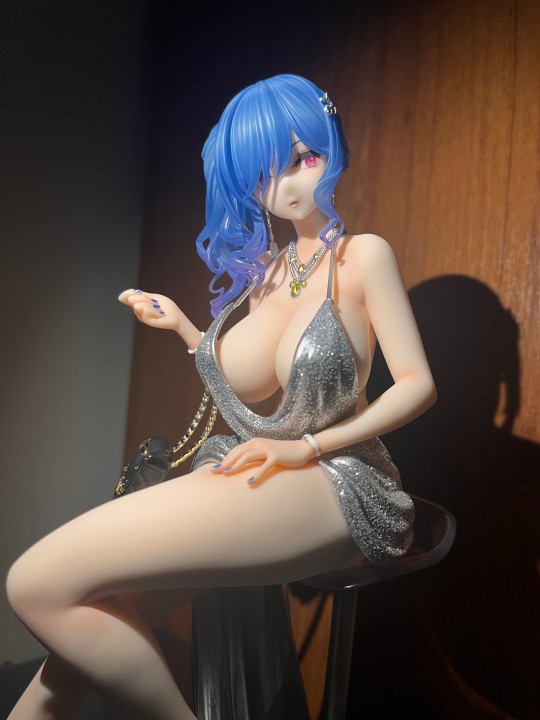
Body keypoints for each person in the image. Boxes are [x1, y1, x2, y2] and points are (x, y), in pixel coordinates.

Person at [6, 74, 436, 720]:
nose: (286, 186)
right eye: (264, 176)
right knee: (84, 624)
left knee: (34, 584)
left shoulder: (363, 257)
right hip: (258, 462)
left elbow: (418, 385)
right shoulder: (270, 275)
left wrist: (308, 447)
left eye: (303, 158)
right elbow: (242, 392)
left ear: (330, 144)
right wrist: (185, 329)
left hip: (339, 480)